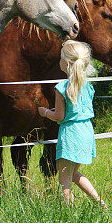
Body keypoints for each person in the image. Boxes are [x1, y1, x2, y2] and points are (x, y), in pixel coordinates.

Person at [37, 40, 106, 207]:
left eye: (61, 58)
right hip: (86, 131)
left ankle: (68, 213)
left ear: (67, 63)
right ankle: (99, 202)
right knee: (74, 174)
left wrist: (45, 112)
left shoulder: (61, 87)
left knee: (64, 178)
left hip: (71, 134)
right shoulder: (88, 86)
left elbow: (59, 116)